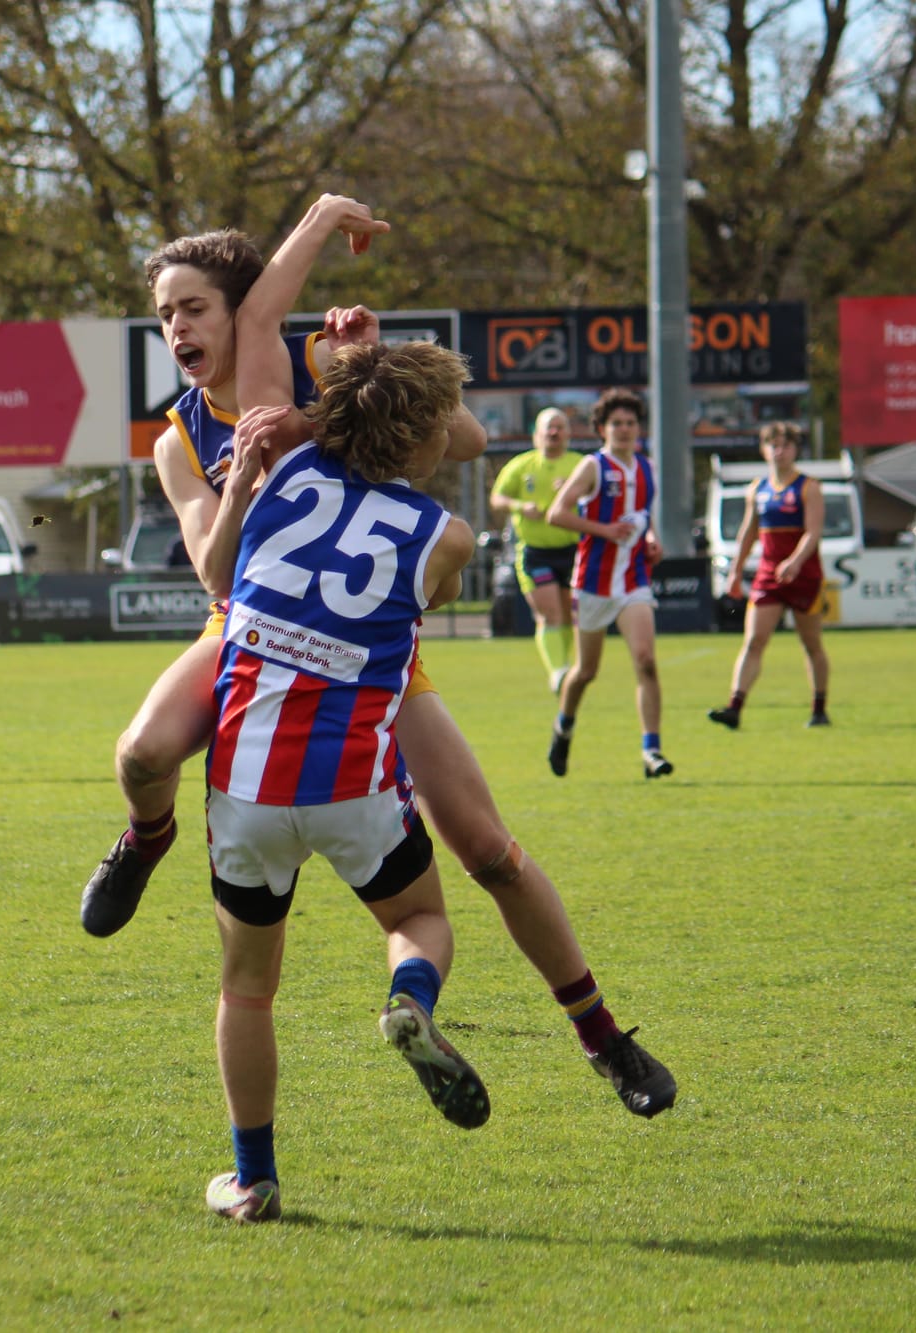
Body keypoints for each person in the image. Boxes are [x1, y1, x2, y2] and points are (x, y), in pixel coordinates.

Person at [85, 195, 676, 1122]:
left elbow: (462, 441)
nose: (177, 329)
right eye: (165, 315)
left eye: (194, 308)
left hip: (368, 651)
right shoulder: (179, 439)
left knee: (490, 853)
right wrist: (263, 463)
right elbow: (215, 571)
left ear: (241, 311)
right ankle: (145, 839)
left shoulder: (315, 362)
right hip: (250, 631)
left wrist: (357, 378)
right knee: (141, 752)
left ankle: (603, 1037)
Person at [204, 338, 487, 1223]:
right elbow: (423, 598)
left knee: (247, 988)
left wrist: (243, 485)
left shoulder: (286, 476)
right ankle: (408, 1000)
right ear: (421, 435)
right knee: (419, 919)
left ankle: (252, 1179)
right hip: (353, 786)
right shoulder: (447, 535)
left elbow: (217, 577)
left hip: (244, 785)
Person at [544, 389, 673, 780]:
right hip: (593, 582)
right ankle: (564, 727)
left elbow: (642, 516)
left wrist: (652, 539)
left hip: (634, 578)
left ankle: (651, 750)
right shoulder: (593, 467)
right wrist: (605, 530)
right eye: (616, 423)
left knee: (646, 661)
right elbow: (556, 514)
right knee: (586, 671)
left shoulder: (648, 467)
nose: (624, 429)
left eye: (630, 423)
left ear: (639, 428)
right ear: (602, 428)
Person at [709, 421, 832, 729]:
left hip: (804, 575)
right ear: (764, 450)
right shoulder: (757, 489)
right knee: (753, 641)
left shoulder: (809, 487)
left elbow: (813, 532)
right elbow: (748, 533)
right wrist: (735, 571)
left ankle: (819, 709)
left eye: (786, 445)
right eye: (773, 445)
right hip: (768, 575)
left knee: (811, 644)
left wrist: (795, 561)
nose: (780, 451)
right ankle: (734, 707)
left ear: (796, 450)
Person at [490, 406, 585, 693]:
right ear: (536, 434)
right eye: (548, 427)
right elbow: (497, 498)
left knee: (568, 614)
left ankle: (564, 666)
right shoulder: (521, 465)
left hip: (573, 550)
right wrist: (520, 506)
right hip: (536, 552)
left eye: (559, 427)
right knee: (549, 613)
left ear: (568, 433)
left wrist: (575, 491)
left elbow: (599, 499)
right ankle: (558, 672)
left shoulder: (581, 465)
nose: (554, 432)